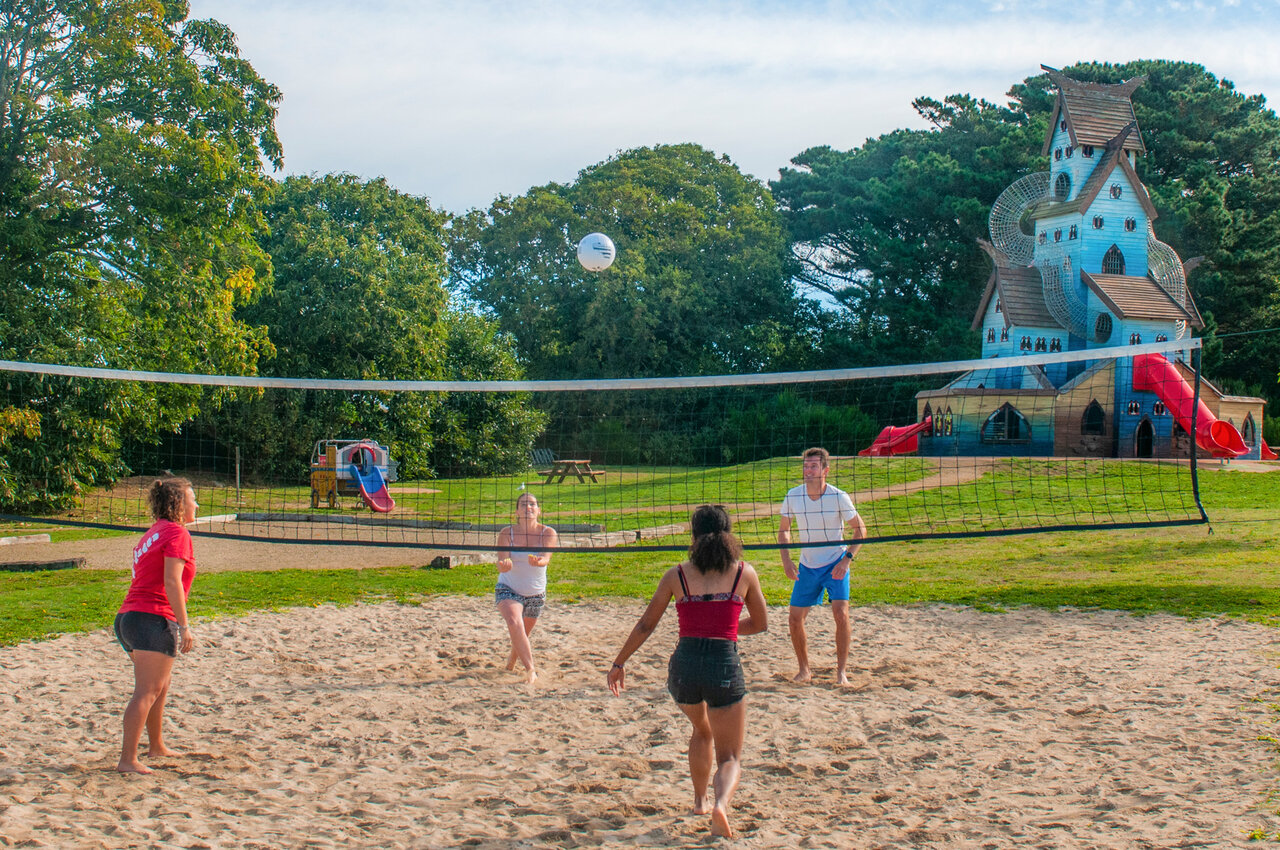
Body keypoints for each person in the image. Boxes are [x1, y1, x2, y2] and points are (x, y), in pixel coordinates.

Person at [607, 505, 767, 839]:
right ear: (728, 536)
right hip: (723, 663)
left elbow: (646, 624)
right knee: (731, 757)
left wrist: (619, 662)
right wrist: (727, 631)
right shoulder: (743, 573)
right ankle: (720, 804)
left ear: (693, 536)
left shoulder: (676, 574)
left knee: (702, 730)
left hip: (684, 668)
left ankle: (699, 801)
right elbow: (762, 624)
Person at [114, 477, 199, 774]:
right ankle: (128, 759)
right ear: (179, 504)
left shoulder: (153, 533)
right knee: (147, 690)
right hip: (151, 618)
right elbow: (171, 581)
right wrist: (184, 625)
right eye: (192, 499)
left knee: (159, 687)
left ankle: (156, 746)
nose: (197, 505)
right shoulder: (177, 533)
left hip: (128, 619)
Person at [778, 447, 867, 685]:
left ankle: (841, 673)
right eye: (806, 467)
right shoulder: (793, 495)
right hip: (807, 565)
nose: (808, 471)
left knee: (841, 613)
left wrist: (847, 560)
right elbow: (784, 530)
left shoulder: (838, 496)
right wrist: (786, 560)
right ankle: (804, 670)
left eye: (814, 467)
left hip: (835, 562)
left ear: (825, 470)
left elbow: (861, 529)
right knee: (795, 618)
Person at [495, 492, 559, 684]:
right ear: (517, 511)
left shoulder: (548, 533)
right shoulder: (507, 533)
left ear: (539, 510)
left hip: (535, 592)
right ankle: (531, 670)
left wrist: (540, 561)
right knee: (515, 623)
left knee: (522, 633)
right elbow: (501, 560)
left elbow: (547, 557)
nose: (528, 507)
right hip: (508, 587)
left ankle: (510, 663)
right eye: (523, 504)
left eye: (532, 504)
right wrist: (504, 564)